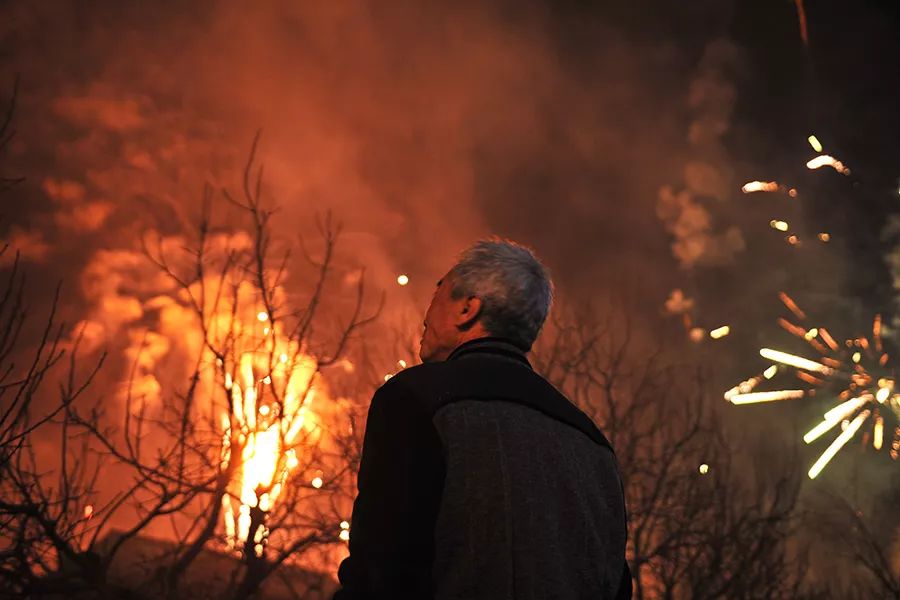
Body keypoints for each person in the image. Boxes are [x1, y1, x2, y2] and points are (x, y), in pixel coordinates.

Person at [333, 239, 631, 600]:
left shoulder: (415, 399)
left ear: (467, 309)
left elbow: (380, 570)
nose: (425, 315)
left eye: (438, 291)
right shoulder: (593, 443)